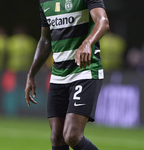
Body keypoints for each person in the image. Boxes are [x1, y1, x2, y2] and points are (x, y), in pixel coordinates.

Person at [25, 0, 109, 150]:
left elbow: (103, 22)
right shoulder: (45, 2)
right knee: (57, 137)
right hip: (58, 75)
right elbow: (45, 40)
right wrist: (31, 74)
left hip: (85, 71)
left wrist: (87, 43)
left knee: (72, 135)